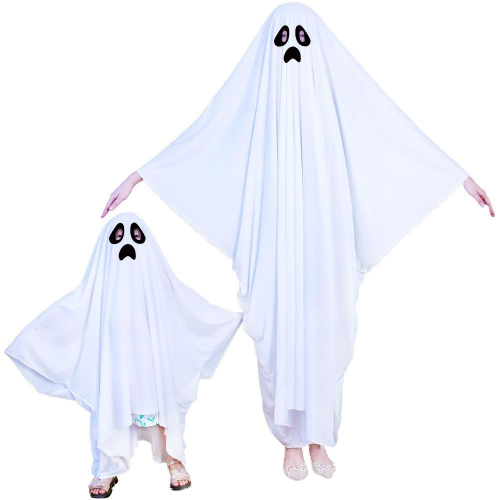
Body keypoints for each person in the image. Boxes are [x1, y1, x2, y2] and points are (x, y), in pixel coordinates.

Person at [101, 3, 494, 480]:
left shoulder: (337, 95)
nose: (291, 50)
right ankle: (289, 439)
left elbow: (389, 130)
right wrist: (143, 174)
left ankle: (319, 435)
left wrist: (456, 176)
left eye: (301, 39)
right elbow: (208, 135)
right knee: (280, 328)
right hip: (272, 235)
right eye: (281, 40)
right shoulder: (255, 100)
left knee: (323, 329)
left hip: (326, 234)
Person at [6, 213, 242, 495]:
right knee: (110, 406)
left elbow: (190, 308)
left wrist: (229, 319)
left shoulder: (161, 286)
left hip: (152, 364)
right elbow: (71, 313)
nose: (127, 245)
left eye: (136, 237)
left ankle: (174, 460)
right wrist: (32, 342)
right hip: (114, 364)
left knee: (162, 406)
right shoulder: (96, 292)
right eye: (117, 238)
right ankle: (106, 468)